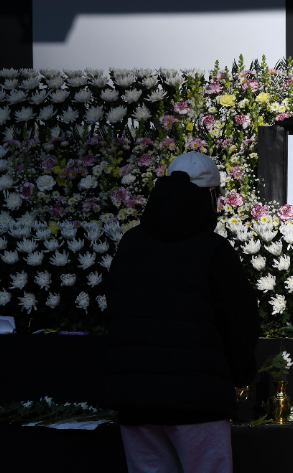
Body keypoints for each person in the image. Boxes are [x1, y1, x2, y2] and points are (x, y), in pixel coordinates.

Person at [105, 151, 260, 473]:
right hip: (197, 398)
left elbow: (116, 314)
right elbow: (240, 323)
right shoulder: (213, 250)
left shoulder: (131, 244)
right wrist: (239, 374)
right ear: (210, 196)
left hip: (136, 398)